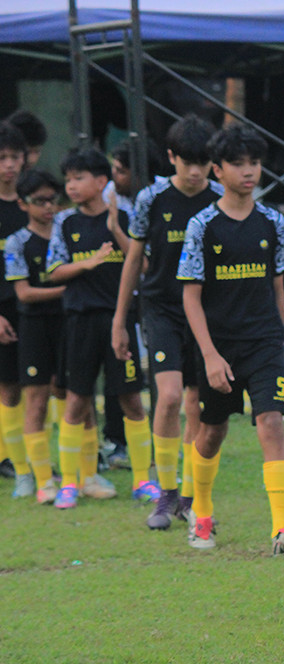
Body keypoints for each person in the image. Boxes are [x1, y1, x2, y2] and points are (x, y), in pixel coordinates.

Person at [177, 125, 284, 557]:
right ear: (218, 169)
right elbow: (190, 296)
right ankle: (203, 514)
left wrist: (279, 335)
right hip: (219, 346)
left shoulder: (274, 223)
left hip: (265, 343)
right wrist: (210, 355)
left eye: (254, 163)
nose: (249, 171)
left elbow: (278, 288)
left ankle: (281, 531)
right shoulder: (202, 226)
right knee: (212, 432)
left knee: (272, 424)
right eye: (238, 164)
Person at [112, 115, 223, 529]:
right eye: (186, 162)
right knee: (170, 396)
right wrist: (119, 321)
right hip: (161, 308)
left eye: (203, 163)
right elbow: (134, 260)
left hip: (206, 314)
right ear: (171, 158)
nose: (194, 173)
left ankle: (190, 497)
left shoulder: (219, 199)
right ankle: (165, 494)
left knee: (196, 406)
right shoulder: (150, 199)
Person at [46, 148, 156, 509]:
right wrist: (87, 264)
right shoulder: (65, 222)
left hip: (118, 320)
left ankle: (142, 480)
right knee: (76, 400)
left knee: (131, 400)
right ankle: (70, 482)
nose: (72, 186)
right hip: (79, 322)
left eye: (79, 178)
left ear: (101, 181)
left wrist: (114, 231)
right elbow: (53, 271)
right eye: (69, 180)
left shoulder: (126, 216)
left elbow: (143, 266)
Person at [4, 169, 64, 502]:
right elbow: (24, 294)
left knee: (71, 396)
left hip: (69, 325)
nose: (47, 207)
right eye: (39, 201)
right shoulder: (17, 242)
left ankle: (79, 475)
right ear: (25, 204)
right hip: (34, 328)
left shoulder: (66, 234)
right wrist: (68, 289)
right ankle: (38, 479)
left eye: (52, 200)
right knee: (36, 401)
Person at [0, 123, 29, 484]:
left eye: (14, 157)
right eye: (2, 158)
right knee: (7, 384)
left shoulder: (30, 203)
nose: (8, 165)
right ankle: (7, 456)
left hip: (32, 307)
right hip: (3, 308)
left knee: (39, 384)